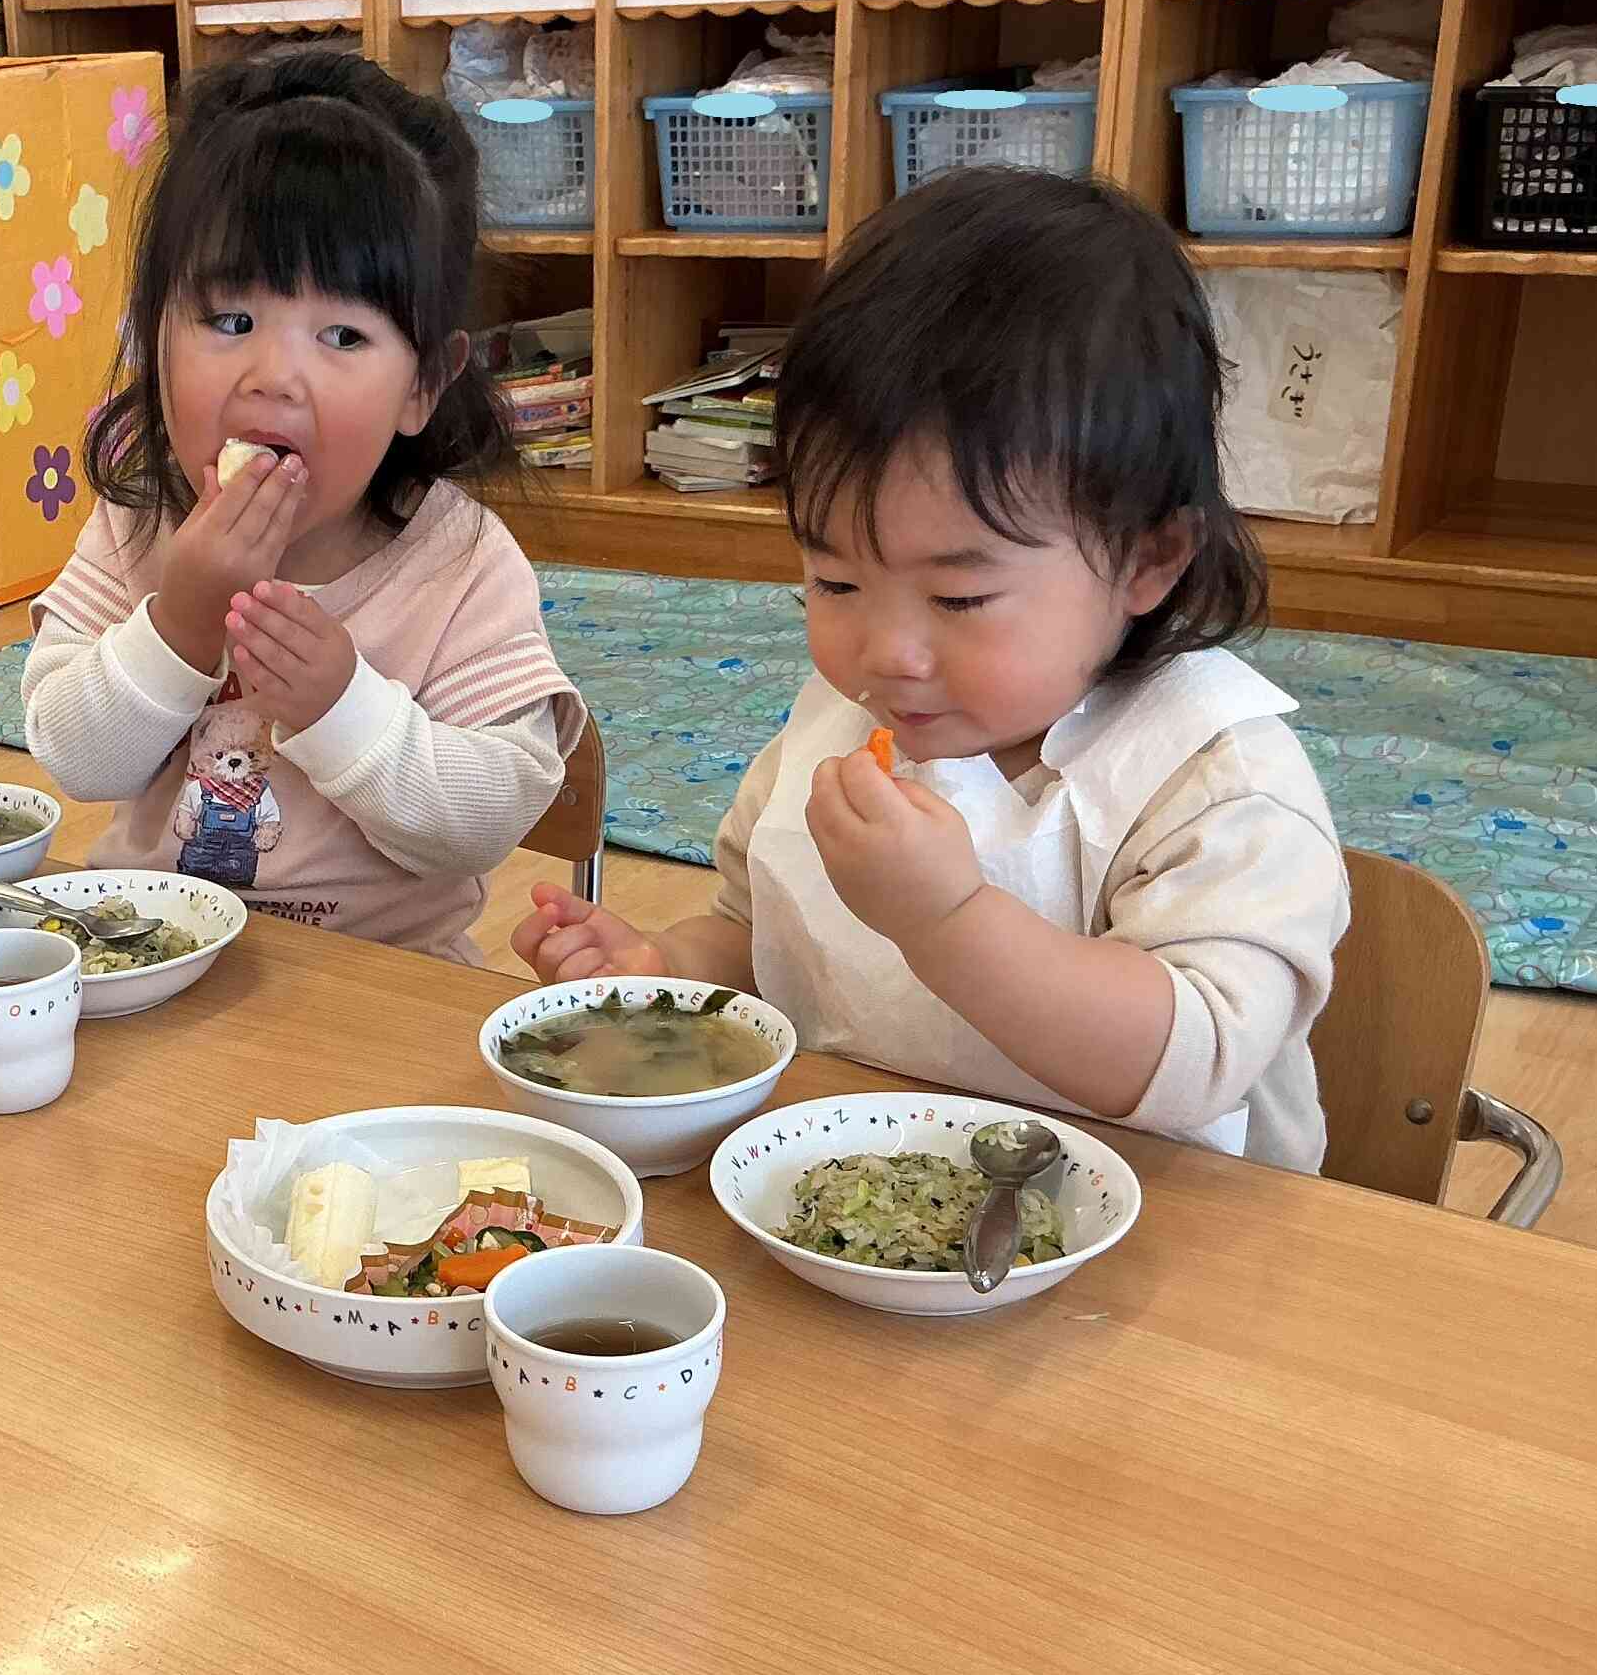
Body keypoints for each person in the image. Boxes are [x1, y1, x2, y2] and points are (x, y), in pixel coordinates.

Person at [515, 169, 1348, 1168]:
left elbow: (1189, 1060)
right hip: (869, 1220)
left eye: (959, 600)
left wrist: (947, 917)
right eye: (834, 581)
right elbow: (759, 941)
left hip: (1177, 1267)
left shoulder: (1214, 784)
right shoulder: (836, 727)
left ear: (1145, 558)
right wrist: (667, 970)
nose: (886, 654)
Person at [23, 48, 587, 967]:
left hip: (385, 986)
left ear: (424, 384)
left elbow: (489, 814)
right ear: (154, 330)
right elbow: (77, 761)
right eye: (230, 321)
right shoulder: (139, 524)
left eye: (342, 335)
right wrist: (179, 624)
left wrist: (342, 707)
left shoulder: (456, 562)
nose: (275, 379)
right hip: (153, 955)